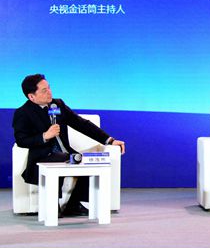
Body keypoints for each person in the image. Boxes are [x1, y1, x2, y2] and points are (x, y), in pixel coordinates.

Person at [12, 74, 126, 217]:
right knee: (62, 160)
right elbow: (21, 140)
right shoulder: (23, 113)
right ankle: (52, 205)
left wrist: (109, 140)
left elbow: (81, 124)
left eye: (49, 88)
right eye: (44, 90)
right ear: (31, 96)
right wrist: (44, 136)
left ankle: (73, 204)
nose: (49, 92)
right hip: (43, 156)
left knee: (89, 161)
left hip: (66, 153)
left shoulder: (57, 105)